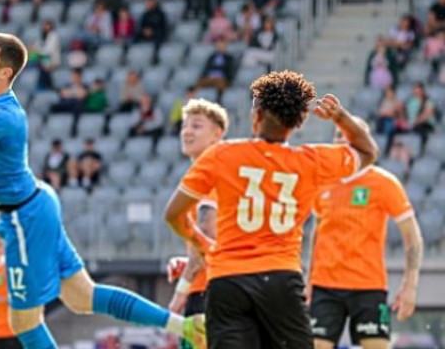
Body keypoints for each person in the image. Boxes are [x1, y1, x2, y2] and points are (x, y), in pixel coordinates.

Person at [0, 32, 199, 349]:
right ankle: (183, 326)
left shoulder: (5, 116)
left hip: (25, 217)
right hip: (33, 204)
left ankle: (183, 326)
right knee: (82, 296)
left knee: (23, 322)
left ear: (5, 72)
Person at [164, 70, 379, 349]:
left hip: (228, 280)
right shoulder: (312, 161)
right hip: (281, 280)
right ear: (298, 121)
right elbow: (368, 151)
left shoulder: (221, 155)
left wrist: (202, 243)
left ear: (258, 115)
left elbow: (173, 214)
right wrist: (340, 117)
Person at [307, 118, 423, 349]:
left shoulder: (384, 183)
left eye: (347, 135)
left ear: (362, 141)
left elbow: (412, 237)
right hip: (325, 286)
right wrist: (309, 279)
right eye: (337, 136)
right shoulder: (322, 183)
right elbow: (317, 231)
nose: (341, 141)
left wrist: (410, 285)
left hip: (368, 286)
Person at [165, 99, 229, 349]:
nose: (187, 131)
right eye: (185, 125)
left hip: (206, 293)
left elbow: (205, 239)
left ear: (217, 135)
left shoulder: (208, 177)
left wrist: (180, 293)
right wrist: (187, 261)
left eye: (197, 126)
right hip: (224, 285)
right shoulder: (218, 173)